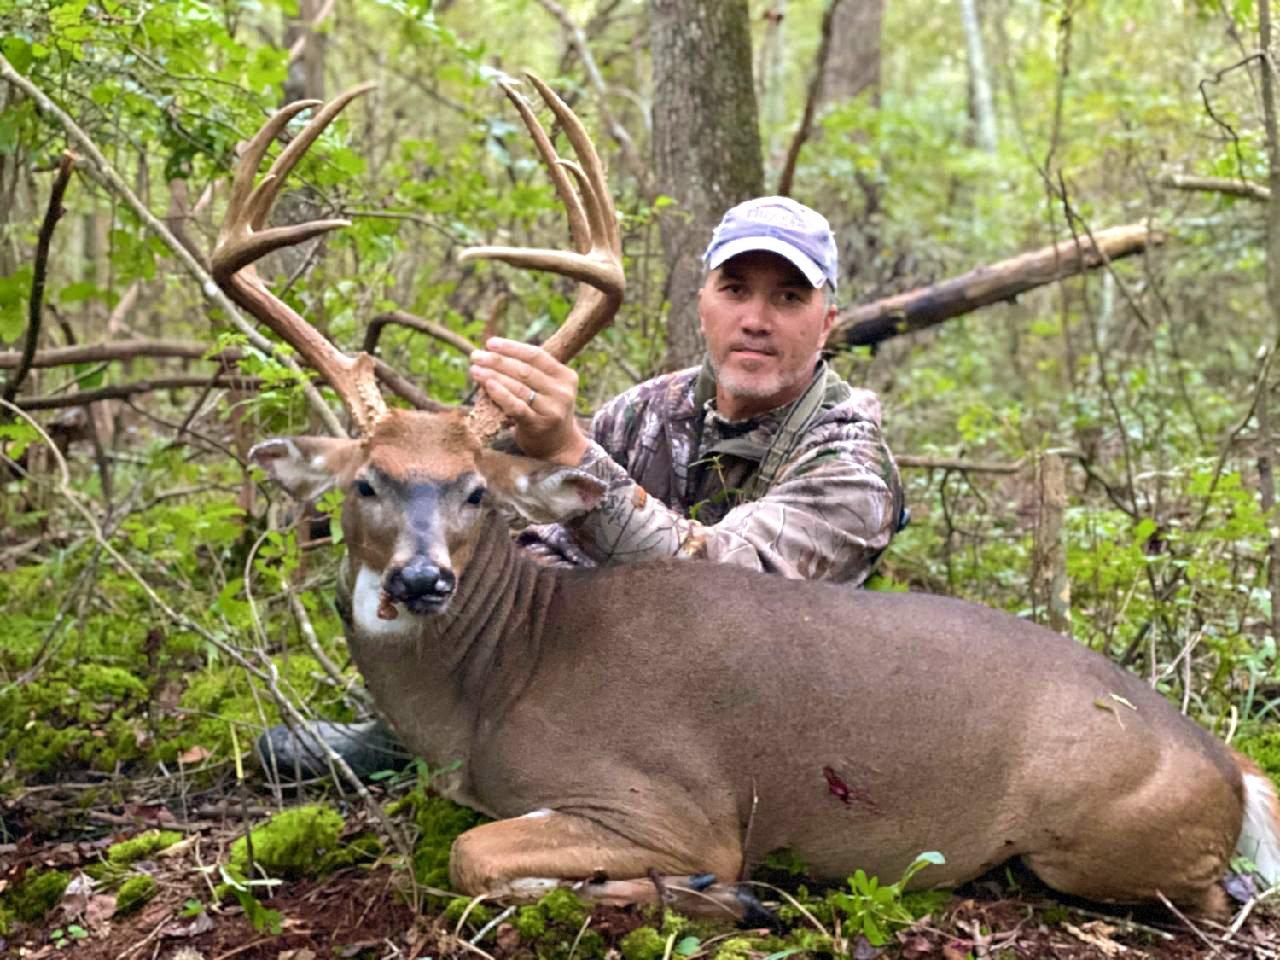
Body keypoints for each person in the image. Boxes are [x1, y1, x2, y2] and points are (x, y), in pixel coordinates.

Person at [258, 196, 904, 779]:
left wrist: (568, 450)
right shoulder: (647, 411)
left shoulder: (850, 462)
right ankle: (412, 731)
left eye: (789, 298)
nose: (756, 319)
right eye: (735, 290)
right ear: (702, 303)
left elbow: (734, 593)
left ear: (827, 323)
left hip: (757, 724)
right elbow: (517, 537)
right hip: (608, 698)